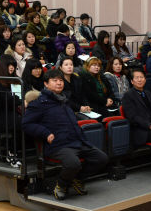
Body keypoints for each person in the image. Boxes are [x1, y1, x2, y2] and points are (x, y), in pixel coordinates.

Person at [22, 69, 108, 200]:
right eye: (55, 81)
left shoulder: (64, 100)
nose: (59, 83)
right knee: (73, 163)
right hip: (58, 145)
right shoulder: (39, 103)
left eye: (61, 80)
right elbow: (26, 124)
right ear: (46, 84)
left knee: (102, 158)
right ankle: (61, 185)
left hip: (76, 141)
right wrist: (45, 133)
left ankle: (77, 179)